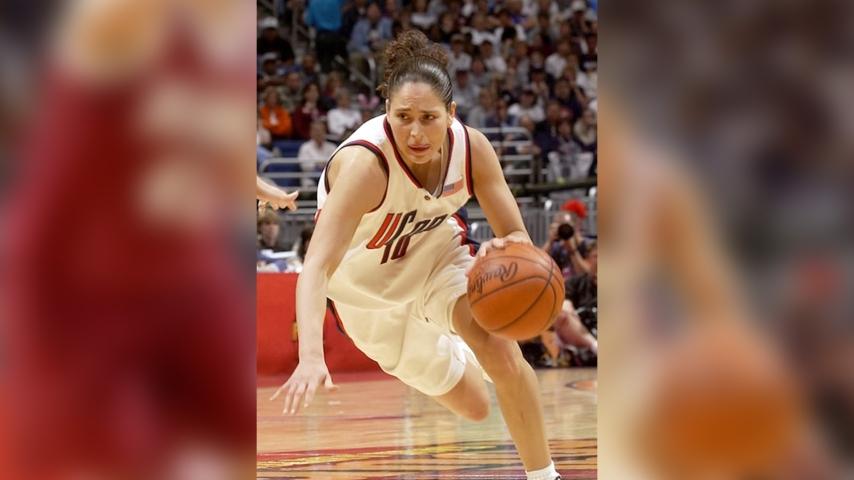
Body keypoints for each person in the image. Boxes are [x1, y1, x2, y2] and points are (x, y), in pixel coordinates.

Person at [271, 30, 563, 480]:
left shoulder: (474, 150)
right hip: (364, 297)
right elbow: (315, 267)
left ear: (451, 114)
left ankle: (545, 476)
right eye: (402, 115)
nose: (415, 131)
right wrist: (311, 355)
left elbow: (518, 236)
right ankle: (453, 343)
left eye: (428, 117)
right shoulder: (367, 166)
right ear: (385, 110)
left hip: (435, 256)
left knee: (503, 357)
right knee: (474, 405)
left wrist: (507, 248)